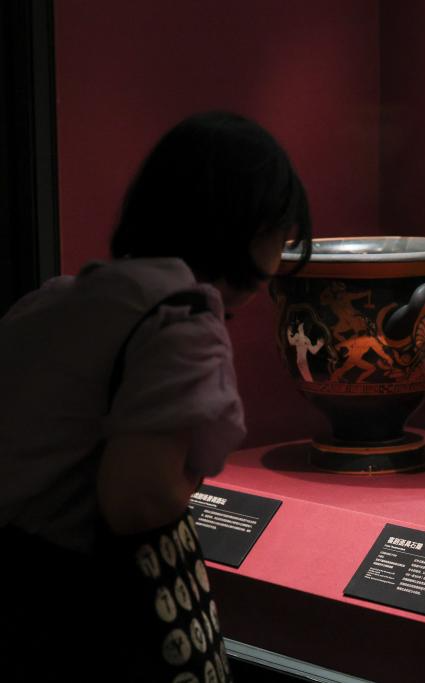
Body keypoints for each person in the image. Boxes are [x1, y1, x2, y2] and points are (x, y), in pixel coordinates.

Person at [0, 111, 312, 681]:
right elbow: (138, 500)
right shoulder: (181, 322)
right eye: (282, 230)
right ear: (251, 226)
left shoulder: (54, 299)